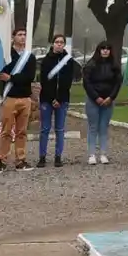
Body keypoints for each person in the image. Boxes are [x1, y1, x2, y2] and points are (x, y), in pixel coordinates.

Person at [0, 27, 39, 173]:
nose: (22, 37)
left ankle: (21, 160)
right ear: (13, 37)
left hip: (25, 97)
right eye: (19, 34)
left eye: (25, 35)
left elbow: (29, 77)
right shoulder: (7, 55)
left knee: (22, 131)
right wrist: (10, 78)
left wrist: (12, 78)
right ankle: (2, 160)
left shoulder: (30, 57)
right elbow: (1, 74)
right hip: (10, 97)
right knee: (6, 131)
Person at [38, 34, 79, 168]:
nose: (59, 44)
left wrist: (59, 99)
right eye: (57, 42)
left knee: (60, 129)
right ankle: (42, 157)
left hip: (62, 100)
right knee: (45, 129)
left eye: (62, 42)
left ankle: (58, 156)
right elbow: (44, 80)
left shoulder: (69, 61)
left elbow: (68, 81)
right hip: (46, 99)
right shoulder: (46, 60)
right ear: (53, 44)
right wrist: (51, 98)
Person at [82, 41, 121, 165]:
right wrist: (96, 97)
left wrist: (111, 97)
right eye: (103, 48)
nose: (105, 51)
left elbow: (117, 83)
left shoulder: (114, 66)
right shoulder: (91, 65)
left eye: (108, 48)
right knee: (93, 127)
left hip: (108, 100)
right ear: (98, 50)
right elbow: (87, 83)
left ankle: (103, 154)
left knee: (104, 127)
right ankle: (92, 154)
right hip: (93, 100)